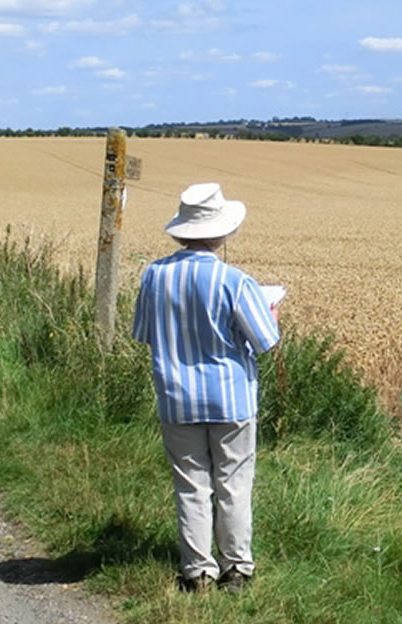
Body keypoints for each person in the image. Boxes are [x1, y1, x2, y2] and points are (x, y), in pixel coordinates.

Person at [132, 182, 280, 593]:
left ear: (181, 230)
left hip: (176, 397)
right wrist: (272, 311)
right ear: (220, 232)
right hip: (231, 399)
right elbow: (266, 341)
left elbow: (143, 333)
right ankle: (236, 568)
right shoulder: (236, 281)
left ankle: (197, 571)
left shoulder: (154, 276)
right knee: (233, 482)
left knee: (191, 484)